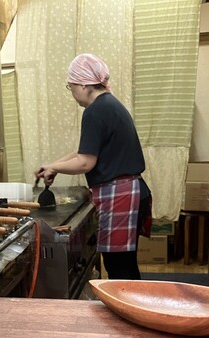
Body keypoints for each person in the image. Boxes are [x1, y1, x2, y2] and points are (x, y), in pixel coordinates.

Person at [34, 53, 152, 280]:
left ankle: (122, 302)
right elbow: (84, 152)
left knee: (119, 268)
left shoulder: (96, 110)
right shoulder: (108, 104)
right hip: (130, 192)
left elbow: (86, 162)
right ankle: (129, 301)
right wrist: (52, 165)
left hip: (121, 195)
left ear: (83, 84)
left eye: (71, 87)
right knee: (125, 264)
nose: (72, 94)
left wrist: (56, 168)